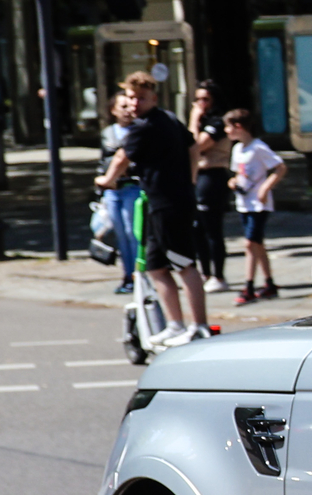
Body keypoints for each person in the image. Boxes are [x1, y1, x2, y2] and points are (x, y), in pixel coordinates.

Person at [96, 72, 208, 346]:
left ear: (153, 98)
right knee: (156, 266)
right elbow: (193, 147)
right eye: (131, 98)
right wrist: (190, 177)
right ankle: (174, 324)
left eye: (141, 98)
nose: (135, 103)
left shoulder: (144, 126)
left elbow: (122, 156)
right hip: (161, 201)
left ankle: (199, 326)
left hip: (168, 203)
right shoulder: (168, 118)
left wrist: (106, 180)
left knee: (183, 263)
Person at [223, 110, 285, 305]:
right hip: (244, 203)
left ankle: (248, 286)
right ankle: (269, 283)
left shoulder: (258, 147)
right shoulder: (238, 149)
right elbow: (237, 174)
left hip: (259, 204)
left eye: (228, 126)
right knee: (257, 244)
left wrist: (266, 188)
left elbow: (280, 167)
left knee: (249, 243)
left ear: (239, 126)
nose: (226, 131)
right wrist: (233, 182)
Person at [190, 82, 233, 293]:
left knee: (212, 229)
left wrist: (193, 118)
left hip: (213, 176)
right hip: (198, 175)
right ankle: (204, 272)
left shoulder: (217, 123)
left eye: (205, 99)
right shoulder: (203, 122)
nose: (201, 104)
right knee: (197, 229)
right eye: (198, 99)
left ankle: (218, 275)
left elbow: (195, 145)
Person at [96, 92, 139, 295]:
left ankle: (139, 276)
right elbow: (102, 160)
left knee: (133, 233)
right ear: (113, 111)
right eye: (122, 106)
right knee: (120, 235)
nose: (127, 110)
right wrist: (101, 185)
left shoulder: (138, 131)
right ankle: (127, 275)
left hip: (132, 187)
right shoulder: (108, 133)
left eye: (129, 105)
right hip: (113, 190)